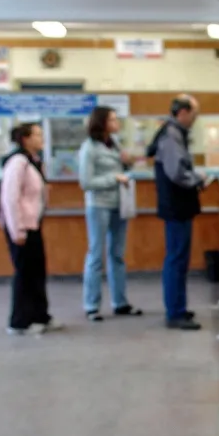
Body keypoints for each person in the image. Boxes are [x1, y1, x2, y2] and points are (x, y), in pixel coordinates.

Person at [148, 94, 207, 330]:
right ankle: (175, 312)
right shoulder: (171, 136)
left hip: (176, 205)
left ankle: (178, 307)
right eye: (194, 114)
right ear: (182, 113)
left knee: (179, 259)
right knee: (176, 259)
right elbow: (176, 172)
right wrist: (197, 179)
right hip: (176, 205)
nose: (195, 119)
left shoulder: (172, 133)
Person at [79, 106, 142, 322]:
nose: (117, 123)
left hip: (119, 204)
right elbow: (86, 182)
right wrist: (114, 178)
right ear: (102, 123)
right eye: (113, 120)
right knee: (96, 254)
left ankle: (120, 302)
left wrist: (127, 164)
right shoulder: (89, 148)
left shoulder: (115, 143)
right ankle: (91, 305)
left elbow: (123, 170)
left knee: (117, 254)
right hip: (98, 205)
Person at [0, 122, 62, 336]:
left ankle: (40, 315)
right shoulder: (17, 162)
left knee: (37, 272)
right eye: (37, 135)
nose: (41, 138)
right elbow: (10, 197)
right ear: (25, 139)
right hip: (21, 226)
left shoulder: (33, 161)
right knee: (24, 273)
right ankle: (19, 321)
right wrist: (17, 230)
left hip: (34, 223)